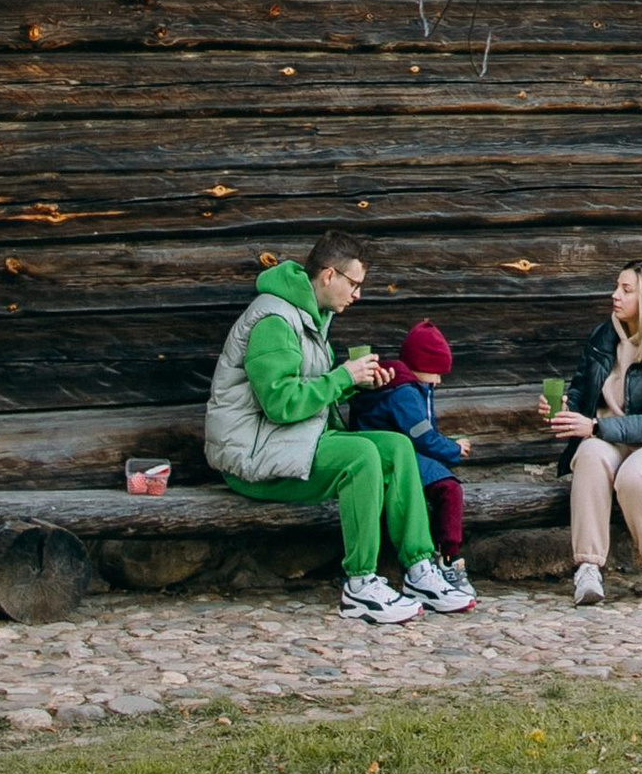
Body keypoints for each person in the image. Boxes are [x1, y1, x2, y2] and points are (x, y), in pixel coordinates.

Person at [203, 238, 474, 625]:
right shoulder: (274, 321)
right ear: (330, 275)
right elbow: (281, 403)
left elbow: (310, 392)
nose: (358, 294)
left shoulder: (310, 316)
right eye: (355, 284)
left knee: (396, 447)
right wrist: (342, 376)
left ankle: (419, 571)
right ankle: (360, 584)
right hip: (253, 457)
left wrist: (354, 384)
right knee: (360, 456)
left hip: (291, 445)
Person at [547, 260, 642, 606]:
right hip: (610, 438)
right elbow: (580, 390)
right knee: (586, 454)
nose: (615, 295)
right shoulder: (604, 334)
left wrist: (596, 426)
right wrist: (563, 408)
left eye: (626, 290)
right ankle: (588, 568)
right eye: (617, 287)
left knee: (636, 475)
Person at [348, 320, 474, 602]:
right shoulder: (404, 393)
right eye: (437, 372)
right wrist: (453, 449)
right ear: (421, 363)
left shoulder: (399, 383)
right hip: (397, 455)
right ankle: (449, 558)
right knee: (449, 489)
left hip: (382, 452)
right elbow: (422, 436)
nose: (439, 380)